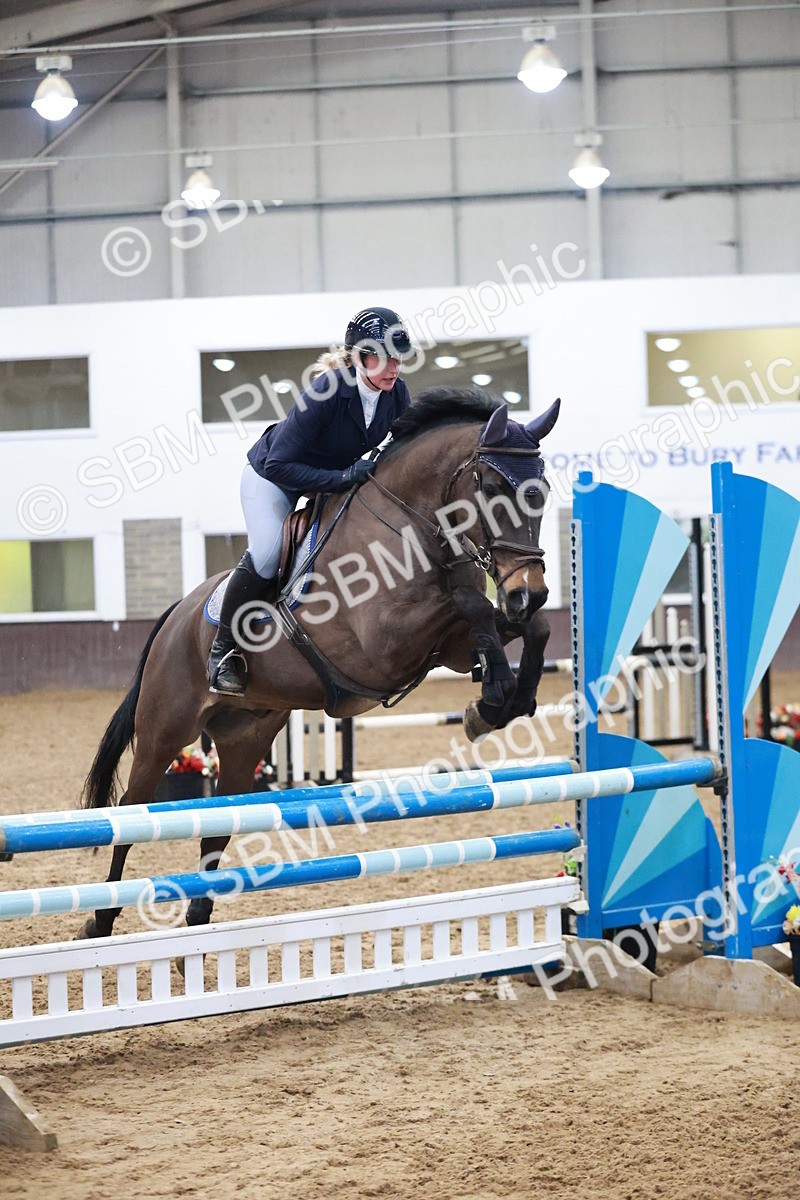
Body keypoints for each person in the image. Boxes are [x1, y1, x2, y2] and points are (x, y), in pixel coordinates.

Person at [207, 306, 414, 695]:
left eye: (399, 358)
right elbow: (279, 463)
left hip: (325, 482)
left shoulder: (396, 394)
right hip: (272, 479)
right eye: (385, 358)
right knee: (268, 555)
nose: (394, 367)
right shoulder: (326, 391)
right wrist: (341, 479)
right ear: (359, 357)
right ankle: (223, 651)